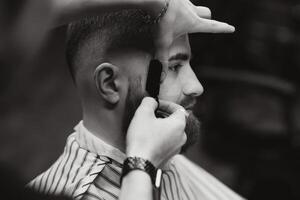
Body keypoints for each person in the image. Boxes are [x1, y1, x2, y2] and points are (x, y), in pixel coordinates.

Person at [27, 2, 244, 200]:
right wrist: (142, 165)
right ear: (110, 83)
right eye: (174, 67)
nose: (196, 87)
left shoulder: (165, 146)